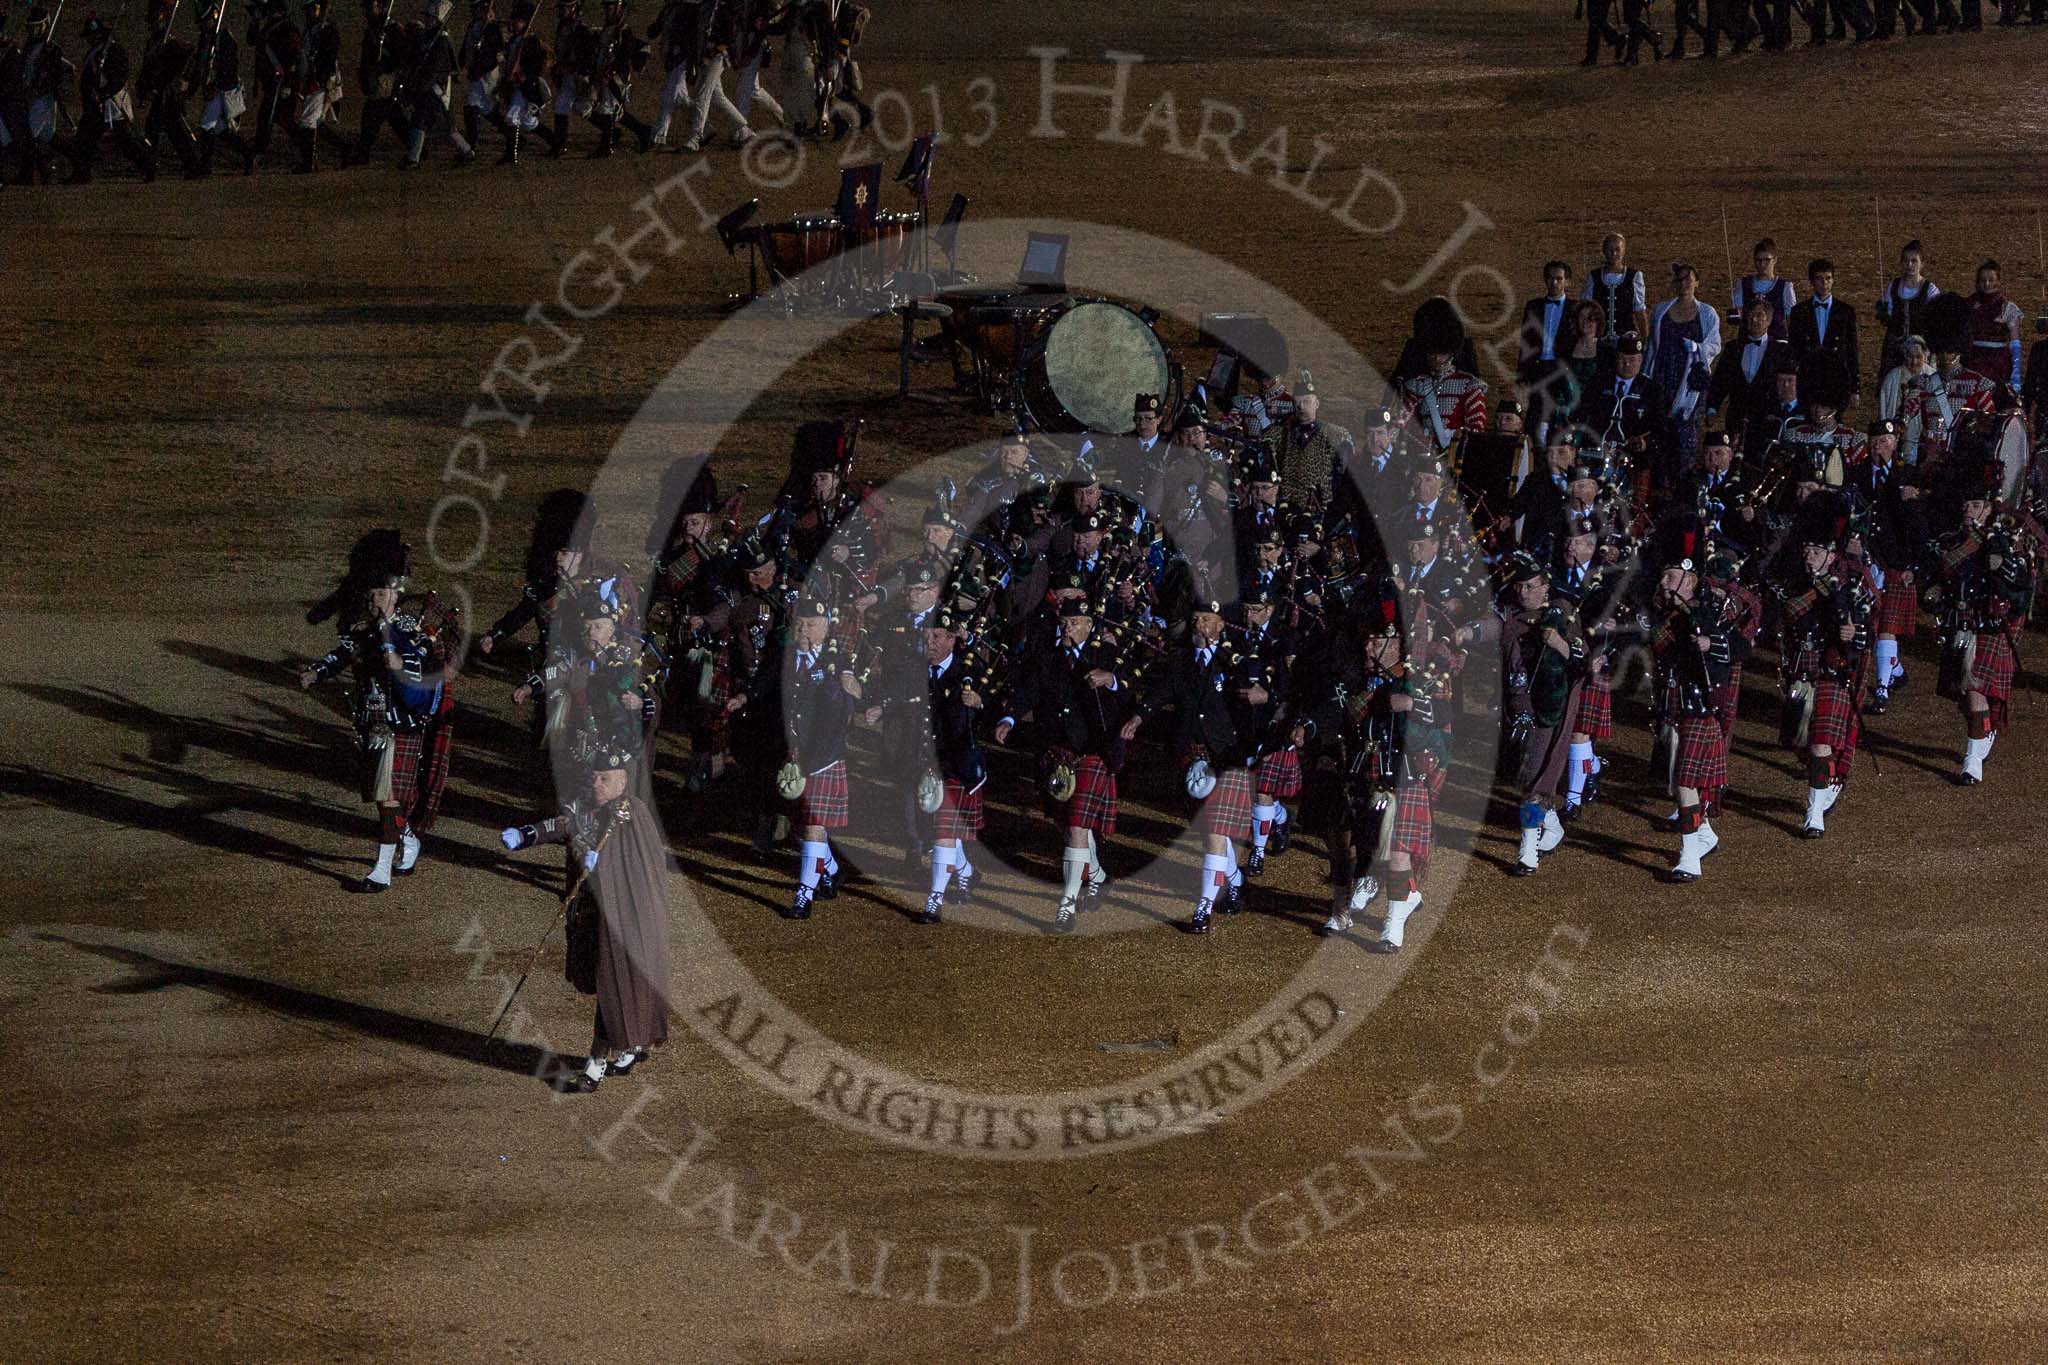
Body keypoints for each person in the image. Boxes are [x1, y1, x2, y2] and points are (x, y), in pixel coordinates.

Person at [498, 723, 671, 1094]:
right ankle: (628, 1048)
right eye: (594, 778)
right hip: (595, 920)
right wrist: (526, 834)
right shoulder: (588, 809)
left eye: (604, 779)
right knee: (608, 985)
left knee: (614, 988)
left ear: (621, 782)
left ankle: (594, 1066)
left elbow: (642, 872)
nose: (597, 784)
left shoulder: (634, 816)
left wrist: (604, 867)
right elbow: (563, 824)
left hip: (628, 925)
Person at [298, 540, 463, 892]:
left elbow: (426, 666)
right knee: (380, 795)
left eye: (382, 593)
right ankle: (409, 839)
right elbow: (342, 654)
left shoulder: (414, 627)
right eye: (372, 593)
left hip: (404, 721)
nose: (376, 600)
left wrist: (399, 653)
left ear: (394, 592)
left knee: (388, 795)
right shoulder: (365, 630)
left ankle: (381, 869)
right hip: (373, 721)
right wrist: (317, 672)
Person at [1124, 601, 1266, 933]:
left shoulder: (1237, 660)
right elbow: (1162, 692)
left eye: (1205, 619)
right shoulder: (1181, 658)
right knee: (1207, 831)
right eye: (1194, 619)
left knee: (1215, 830)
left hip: (1225, 755)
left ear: (1220, 625)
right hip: (1190, 753)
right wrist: (1139, 716)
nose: (1198, 624)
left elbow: (1257, 696)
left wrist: (1261, 699)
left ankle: (1203, 909)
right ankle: (1234, 879)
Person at [994, 597, 1129, 932]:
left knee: (1078, 829)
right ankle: (1096, 875)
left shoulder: (1106, 656)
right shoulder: (1049, 659)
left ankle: (1066, 907)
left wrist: (1110, 679)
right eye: (1064, 622)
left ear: (1088, 625)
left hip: (1093, 753)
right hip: (1056, 753)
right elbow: (1028, 691)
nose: (1067, 628)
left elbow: (1131, 692)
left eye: (1074, 622)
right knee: (1068, 825)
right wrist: (1010, 717)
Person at [1649, 529, 1748, 883]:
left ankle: (1690, 857)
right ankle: (1703, 833)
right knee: (1679, 782)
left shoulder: (1707, 615)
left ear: (1689, 580)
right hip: (1674, 710)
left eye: (1671, 576)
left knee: (1687, 782)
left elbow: (1740, 648)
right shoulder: (1664, 614)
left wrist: (1710, 642)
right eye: (1663, 575)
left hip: (1700, 711)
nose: (1663, 582)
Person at [1773, 503, 1872, 838]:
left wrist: (1852, 634)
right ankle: (1827, 781)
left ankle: (1814, 813)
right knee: (1799, 743)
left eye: (1817, 551)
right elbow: (1788, 612)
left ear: (1832, 556)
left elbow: (1865, 626)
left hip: (1832, 672)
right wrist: (1818, 591)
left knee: (1820, 744)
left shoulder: (1852, 584)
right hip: (1801, 670)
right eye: (1808, 550)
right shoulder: (1794, 580)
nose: (1810, 556)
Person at [1929, 481, 2033, 785]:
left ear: (1988, 509)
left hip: (1987, 627)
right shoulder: (1954, 540)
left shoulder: (2002, 540)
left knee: (1974, 693)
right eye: (1966, 505)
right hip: (1957, 625)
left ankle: (1972, 763)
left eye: (1975, 505)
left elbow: (2021, 587)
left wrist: (2002, 573)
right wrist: (1933, 589)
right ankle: (1984, 731)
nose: (1968, 511)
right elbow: (1938, 573)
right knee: (1964, 697)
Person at [1498, 552, 1585, 876]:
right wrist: (1519, 709)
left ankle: (1527, 850)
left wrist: (1560, 643)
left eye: (1531, 586)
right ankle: (1549, 825)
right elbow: (1513, 670)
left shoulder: (1564, 614)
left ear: (1545, 586)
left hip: (1558, 708)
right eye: (1519, 587)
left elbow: (1582, 661)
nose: (1524, 592)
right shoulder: (1512, 624)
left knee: (1538, 777)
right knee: (1529, 776)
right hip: (1525, 709)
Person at [781, 598, 862, 919]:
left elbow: (844, 707)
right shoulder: (787, 659)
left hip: (824, 756)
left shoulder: (837, 661)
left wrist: (853, 691)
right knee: (805, 823)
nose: (804, 630)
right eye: (800, 624)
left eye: (812, 624)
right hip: (795, 754)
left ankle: (803, 896)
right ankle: (830, 868)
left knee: (813, 825)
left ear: (826, 627)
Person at [907, 608, 988, 924]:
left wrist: (979, 703)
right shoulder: (918, 671)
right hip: (927, 761)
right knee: (944, 830)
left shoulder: (971, 671)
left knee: (943, 830)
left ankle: (934, 899)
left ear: (953, 639)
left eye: (937, 636)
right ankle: (966, 872)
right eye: (927, 635)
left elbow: (996, 705)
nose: (929, 641)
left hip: (959, 763)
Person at [1851, 418, 1927, 713]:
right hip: (1864, 559)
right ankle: (1894, 670)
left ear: (1895, 444)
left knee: (1885, 626)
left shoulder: (1908, 475)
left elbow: (1919, 526)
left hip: (1895, 561)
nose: (1878, 446)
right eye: (1874, 441)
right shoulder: (1856, 474)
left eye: (1884, 440)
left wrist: (1912, 565)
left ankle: (1881, 690)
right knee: (1864, 622)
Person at [1647, 262, 1721, 478]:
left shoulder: (1707, 313)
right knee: (1661, 433)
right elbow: (1653, 346)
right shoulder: (1662, 310)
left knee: (1686, 436)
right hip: (1664, 379)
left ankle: (1685, 483)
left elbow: (1714, 345)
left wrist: (1698, 349)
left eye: (1689, 279)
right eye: (1680, 279)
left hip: (1691, 385)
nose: (1684, 283)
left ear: (1696, 282)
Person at [63, 16, 158, 183]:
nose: (89, 39)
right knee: (85, 139)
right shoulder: (95, 52)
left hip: (112, 102)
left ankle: (148, 167)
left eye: (92, 35)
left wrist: (104, 90)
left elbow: (119, 77)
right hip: (96, 105)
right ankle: (82, 173)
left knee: (125, 142)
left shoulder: (114, 51)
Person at [192, 0, 257, 174]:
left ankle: (205, 166)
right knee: (220, 128)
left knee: (207, 125)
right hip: (214, 87)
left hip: (223, 89)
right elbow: (200, 64)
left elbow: (229, 67)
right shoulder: (206, 38)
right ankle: (248, 154)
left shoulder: (225, 39)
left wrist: (215, 84)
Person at [1788, 258, 1861, 410]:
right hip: (1808, 378)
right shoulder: (1799, 311)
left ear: (1833, 280)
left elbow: (1852, 351)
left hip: (1837, 378)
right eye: (1819, 279)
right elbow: (1793, 349)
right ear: (1811, 282)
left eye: (1828, 278)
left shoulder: (1845, 311)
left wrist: (1855, 388)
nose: (1824, 283)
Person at [1518, 261, 1577, 439]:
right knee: (1534, 417)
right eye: (1551, 278)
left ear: (1567, 281)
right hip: (1537, 367)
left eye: (1559, 279)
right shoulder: (1533, 306)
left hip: (1561, 368)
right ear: (1545, 280)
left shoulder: (1575, 308)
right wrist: (1521, 374)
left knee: (1559, 417)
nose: (1555, 283)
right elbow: (1525, 340)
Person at [1874, 240, 1940, 378]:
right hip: (1894, 351)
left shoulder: (1931, 290)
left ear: (1922, 264)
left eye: (1914, 261)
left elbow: (1936, 321)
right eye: (1905, 261)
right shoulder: (1892, 286)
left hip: (1919, 352)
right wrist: (1883, 313)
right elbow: (1886, 316)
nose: (1909, 265)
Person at [1963, 259, 2025, 395]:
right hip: (1972, 361)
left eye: (1991, 279)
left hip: (1998, 365)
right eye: (1983, 280)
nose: (1987, 284)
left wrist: (2015, 376)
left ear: (1998, 281)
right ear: (1978, 282)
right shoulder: (1967, 305)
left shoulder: (2008, 308)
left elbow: (2015, 344)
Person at [1582, 233, 1648, 344]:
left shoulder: (1634, 276)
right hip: (1600, 340)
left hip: (1627, 338)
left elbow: (1639, 311)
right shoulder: (1594, 276)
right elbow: (1586, 310)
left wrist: (1645, 340)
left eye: (1617, 249)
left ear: (1624, 250)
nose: (1614, 253)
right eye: (1609, 249)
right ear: (1603, 251)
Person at [1733, 238, 1797, 342]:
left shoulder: (1785, 287)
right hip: (1747, 342)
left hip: (1776, 343)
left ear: (1775, 260)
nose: (1762, 264)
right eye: (1758, 260)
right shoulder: (1743, 284)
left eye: (1766, 260)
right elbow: (1738, 314)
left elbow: (1790, 320)